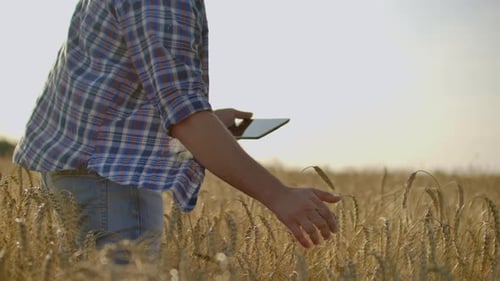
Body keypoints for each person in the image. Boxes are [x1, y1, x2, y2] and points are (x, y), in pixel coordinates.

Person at [13, 0, 341, 256]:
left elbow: (117, 87)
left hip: (84, 166)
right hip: (109, 179)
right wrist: (279, 195)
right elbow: (185, 116)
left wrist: (207, 121)